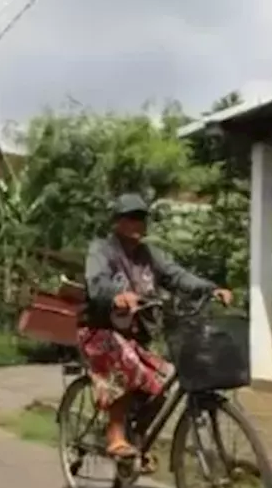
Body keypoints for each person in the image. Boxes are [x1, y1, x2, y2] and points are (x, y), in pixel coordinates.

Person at [80, 193, 232, 459]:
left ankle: (136, 440)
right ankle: (115, 436)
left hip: (134, 334)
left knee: (163, 381)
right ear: (117, 222)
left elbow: (177, 276)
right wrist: (116, 295)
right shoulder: (101, 250)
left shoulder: (149, 255)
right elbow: (97, 282)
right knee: (128, 367)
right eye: (132, 218)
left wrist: (211, 289)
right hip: (99, 330)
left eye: (142, 218)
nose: (138, 224)